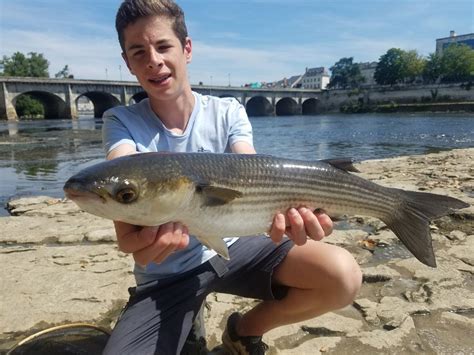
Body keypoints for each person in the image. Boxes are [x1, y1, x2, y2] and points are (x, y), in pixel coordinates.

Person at [102, 1, 362, 354]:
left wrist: (287, 214)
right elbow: (123, 184)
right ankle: (188, 316)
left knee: (343, 276)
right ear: (127, 62)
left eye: (163, 46)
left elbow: (250, 171)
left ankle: (244, 330)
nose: (153, 59)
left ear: (186, 49)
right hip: (168, 275)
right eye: (138, 51)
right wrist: (139, 240)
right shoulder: (121, 121)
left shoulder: (228, 111)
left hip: (239, 244)